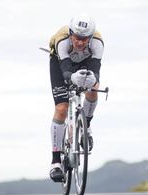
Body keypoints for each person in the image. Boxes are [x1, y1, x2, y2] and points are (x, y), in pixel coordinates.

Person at [48, 14, 104, 182]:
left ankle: (85, 125)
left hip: (85, 62)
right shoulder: (62, 40)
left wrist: (91, 79)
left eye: (85, 39)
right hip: (60, 63)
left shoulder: (97, 43)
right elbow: (65, 70)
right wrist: (70, 78)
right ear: (71, 33)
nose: (80, 42)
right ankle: (56, 161)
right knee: (61, 108)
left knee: (94, 87)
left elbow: (95, 69)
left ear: (91, 37)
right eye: (77, 38)